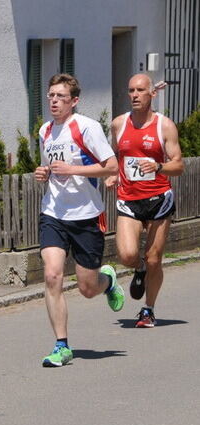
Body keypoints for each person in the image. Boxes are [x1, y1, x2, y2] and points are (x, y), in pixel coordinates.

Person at [34, 73, 125, 367]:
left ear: (74, 101)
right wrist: (43, 173)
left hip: (86, 215)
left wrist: (73, 171)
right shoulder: (45, 131)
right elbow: (51, 167)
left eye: (61, 97)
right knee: (52, 275)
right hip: (54, 213)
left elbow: (111, 167)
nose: (54, 101)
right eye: (51, 96)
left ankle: (107, 280)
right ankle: (62, 345)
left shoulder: (86, 128)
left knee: (87, 288)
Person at [107, 74, 184, 328]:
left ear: (153, 93)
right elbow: (113, 158)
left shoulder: (165, 125)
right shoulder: (119, 124)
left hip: (159, 199)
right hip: (129, 198)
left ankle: (148, 310)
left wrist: (158, 165)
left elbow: (179, 165)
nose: (135, 95)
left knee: (154, 258)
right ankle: (137, 268)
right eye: (131, 90)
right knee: (127, 255)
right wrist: (112, 175)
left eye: (140, 90)